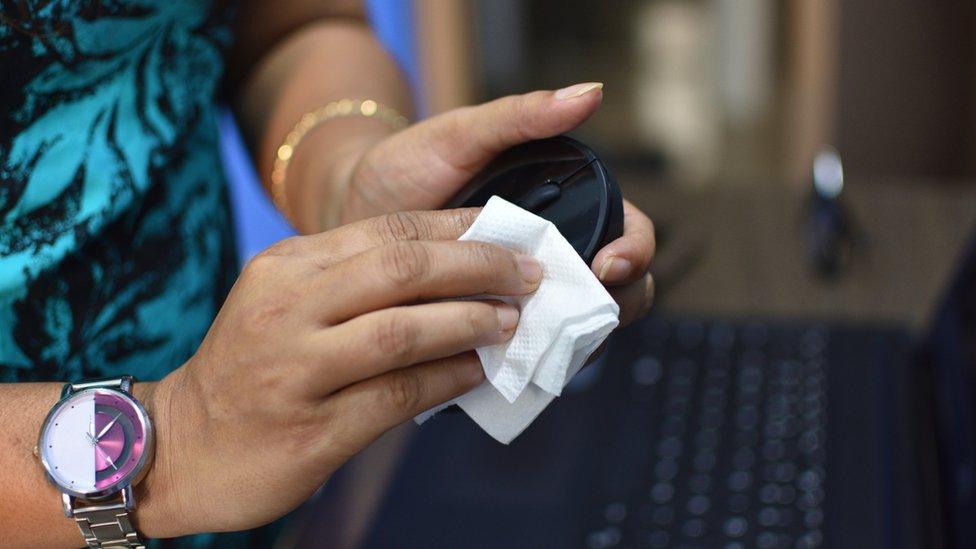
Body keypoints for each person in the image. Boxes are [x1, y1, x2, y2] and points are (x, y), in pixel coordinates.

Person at [0, 1, 655, 546]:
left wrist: (345, 173)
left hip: (260, 489)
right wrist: (170, 441)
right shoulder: (190, 438)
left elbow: (295, 25)